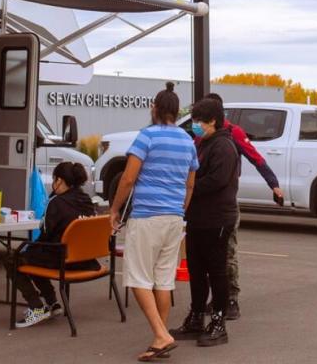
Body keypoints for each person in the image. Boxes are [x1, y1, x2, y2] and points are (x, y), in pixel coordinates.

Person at [109, 82, 198, 363]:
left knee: (137, 277)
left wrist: (114, 209)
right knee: (162, 279)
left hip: (147, 216)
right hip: (174, 219)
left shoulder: (146, 136)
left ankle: (161, 335)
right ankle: (159, 337)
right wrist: (179, 209)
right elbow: (190, 183)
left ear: (156, 109)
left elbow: (128, 178)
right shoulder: (187, 141)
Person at [204, 92, 283, 320]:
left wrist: (274, 185)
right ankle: (215, 298)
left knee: (227, 253)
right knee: (207, 256)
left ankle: (231, 299)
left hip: (226, 203)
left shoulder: (233, 132)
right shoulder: (200, 136)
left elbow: (255, 158)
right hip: (203, 205)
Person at [170, 96, 240, 347]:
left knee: (216, 271)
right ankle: (196, 316)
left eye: (199, 121)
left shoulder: (223, 146)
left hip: (217, 219)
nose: (196, 125)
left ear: (213, 121)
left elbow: (216, 181)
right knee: (197, 271)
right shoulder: (204, 143)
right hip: (198, 219)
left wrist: (189, 188)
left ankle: (218, 322)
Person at [12, 161, 99, 328]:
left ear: (59, 180)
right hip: (85, 260)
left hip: (61, 258)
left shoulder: (57, 202)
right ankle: (52, 304)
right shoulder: (86, 200)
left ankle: (37, 307)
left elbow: (45, 233)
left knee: (14, 258)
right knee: (33, 256)